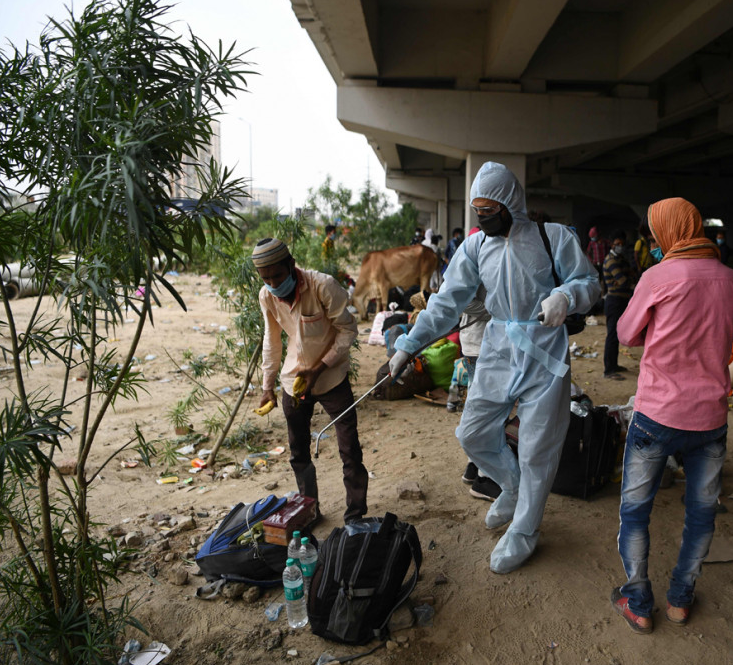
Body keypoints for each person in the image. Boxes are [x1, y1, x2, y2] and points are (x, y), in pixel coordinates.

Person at [389, 162, 599, 574]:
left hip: (545, 352)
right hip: (499, 346)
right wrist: (408, 344)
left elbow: (590, 283)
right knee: (473, 431)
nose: (483, 217)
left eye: (490, 208)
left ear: (509, 203)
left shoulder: (551, 236)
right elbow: (446, 303)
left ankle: (524, 531)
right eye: (477, 210)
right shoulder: (474, 248)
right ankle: (512, 484)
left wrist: (566, 297)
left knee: (539, 447)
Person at [610, 197, 733, 634]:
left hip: (657, 414)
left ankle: (639, 601)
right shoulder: (732, 280)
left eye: (654, 232)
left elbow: (627, 334)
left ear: (668, 231)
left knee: (635, 512)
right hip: (710, 417)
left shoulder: (657, 276)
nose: (652, 240)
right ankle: (680, 601)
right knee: (701, 513)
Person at [253, 238, 367, 523]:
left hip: (331, 378)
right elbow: (272, 340)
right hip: (294, 381)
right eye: (265, 278)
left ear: (291, 265)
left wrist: (319, 367)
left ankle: (355, 515)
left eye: (277, 275)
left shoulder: (322, 286)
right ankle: (309, 511)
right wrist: (267, 387)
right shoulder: (266, 296)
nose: (273, 284)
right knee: (298, 452)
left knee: (349, 449)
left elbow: (347, 331)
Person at [602, 230, 634, 379]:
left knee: (617, 334)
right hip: (614, 301)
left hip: (621, 300)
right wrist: (625, 280)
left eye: (622, 244)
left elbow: (631, 274)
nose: (620, 246)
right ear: (612, 244)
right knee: (612, 335)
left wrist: (625, 279)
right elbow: (624, 281)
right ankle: (608, 370)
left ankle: (614, 364)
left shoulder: (621, 259)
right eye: (617, 244)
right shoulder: (611, 260)